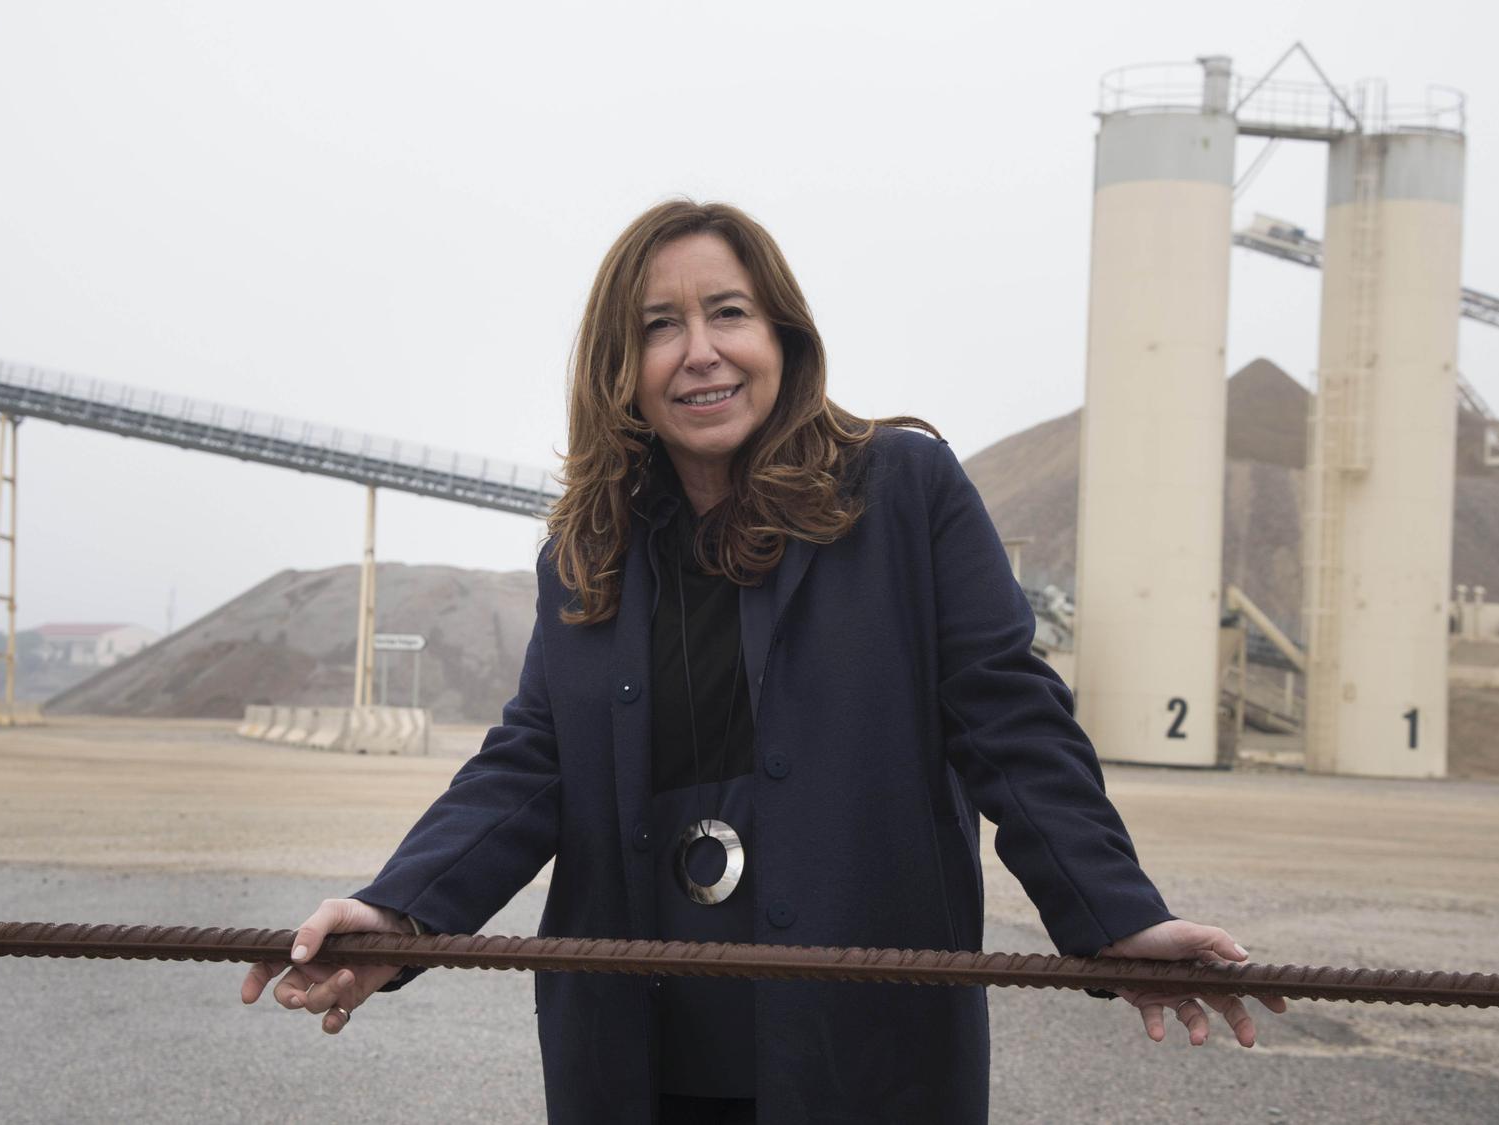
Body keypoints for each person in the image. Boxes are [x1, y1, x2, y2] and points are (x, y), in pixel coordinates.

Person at [240, 200, 1284, 1124]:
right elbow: (533, 762)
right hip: (639, 1059)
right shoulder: (585, 551)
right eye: (659, 326)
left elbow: (1009, 722)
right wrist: (399, 913)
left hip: (858, 1046)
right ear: (619, 366)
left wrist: (1116, 916)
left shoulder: (901, 492)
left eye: (727, 313)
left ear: (780, 334)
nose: (700, 351)